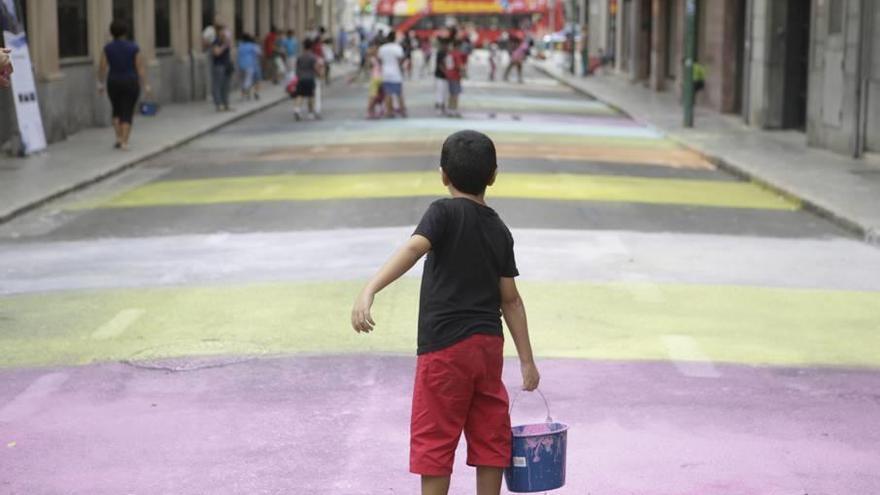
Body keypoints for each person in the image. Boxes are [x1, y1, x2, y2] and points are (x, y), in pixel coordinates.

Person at [351, 130, 541, 495]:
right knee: (490, 434)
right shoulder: (499, 229)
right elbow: (511, 300)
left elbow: (413, 249)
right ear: (493, 175)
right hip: (487, 347)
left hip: (444, 350)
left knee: (436, 437)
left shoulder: (442, 212)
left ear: (443, 175)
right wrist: (527, 361)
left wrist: (370, 287)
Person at [97, 20, 149, 150]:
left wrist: (100, 83)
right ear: (125, 32)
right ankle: (125, 141)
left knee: (116, 109)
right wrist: (146, 84)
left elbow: (102, 67)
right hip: (130, 81)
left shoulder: (107, 48)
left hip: (113, 81)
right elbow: (140, 67)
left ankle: (118, 137)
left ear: (111, 33)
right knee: (127, 111)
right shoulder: (133, 47)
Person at [292, 38, 325, 121]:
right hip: (310, 78)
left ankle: (297, 109)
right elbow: (316, 67)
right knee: (311, 96)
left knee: (300, 95)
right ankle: (310, 113)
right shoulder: (313, 57)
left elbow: (297, 68)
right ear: (311, 47)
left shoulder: (300, 56)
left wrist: (297, 76)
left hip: (301, 78)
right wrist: (320, 74)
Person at [378, 30, 406, 117]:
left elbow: (380, 60)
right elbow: (401, 60)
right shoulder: (397, 48)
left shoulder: (382, 48)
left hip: (386, 73)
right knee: (399, 93)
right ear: (394, 38)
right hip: (396, 73)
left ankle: (389, 112)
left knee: (388, 93)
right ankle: (402, 111)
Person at [209, 19, 233, 111]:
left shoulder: (225, 41)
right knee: (217, 85)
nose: (225, 32)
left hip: (226, 65)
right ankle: (219, 104)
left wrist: (227, 43)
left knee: (226, 86)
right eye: (223, 30)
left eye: (226, 30)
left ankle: (226, 104)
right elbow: (216, 53)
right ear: (219, 31)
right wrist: (224, 45)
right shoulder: (216, 41)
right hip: (219, 66)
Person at [237, 33, 262, 100]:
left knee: (242, 80)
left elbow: (238, 54)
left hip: (240, 65)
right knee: (248, 80)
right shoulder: (252, 46)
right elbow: (259, 53)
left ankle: (243, 94)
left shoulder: (240, 46)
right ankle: (246, 91)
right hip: (249, 65)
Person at [445, 39, 466, 118]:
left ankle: (450, 110)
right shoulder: (457, 54)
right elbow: (459, 66)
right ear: (458, 46)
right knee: (456, 94)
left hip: (450, 76)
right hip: (455, 76)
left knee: (451, 94)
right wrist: (464, 73)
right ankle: (454, 110)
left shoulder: (450, 53)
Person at [366, 41, 384, 119]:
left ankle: (375, 111)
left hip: (380, 78)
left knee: (379, 96)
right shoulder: (372, 58)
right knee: (374, 96)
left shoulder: (378, 57)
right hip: (376, 78)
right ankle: (370, 111)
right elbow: (368, 67)